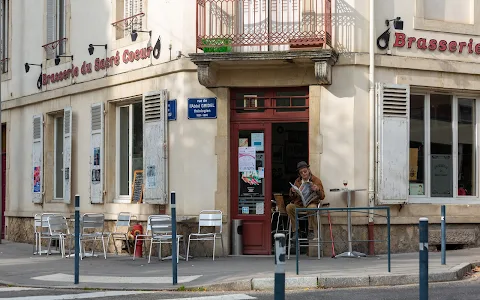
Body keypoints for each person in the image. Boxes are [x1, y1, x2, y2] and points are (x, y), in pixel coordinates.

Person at [286, 161, 325, 239]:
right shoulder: (297, 181)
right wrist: (292, 191)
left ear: (309, 170)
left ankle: (310, 230)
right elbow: (292, 198)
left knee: (312, 208)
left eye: (305, 171)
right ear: (299, 174)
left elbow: (322, 196)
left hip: (311, 203)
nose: (304, 174)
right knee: (289, 207)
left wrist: (317, 190)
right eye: (301, 173)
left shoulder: (316, 180)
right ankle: (296, 231)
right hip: (300, 204)